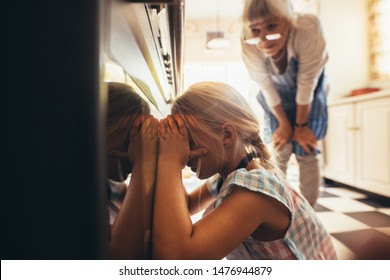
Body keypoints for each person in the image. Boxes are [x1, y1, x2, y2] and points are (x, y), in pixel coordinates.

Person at [152, 81, 336, 259]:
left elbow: (178, 257)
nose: (184, 153)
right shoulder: (229, 176)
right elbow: (188, 205)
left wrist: (169, 160)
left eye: (189, 141)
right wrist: (167, 157)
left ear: (227, 135)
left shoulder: (252, 193)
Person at [240, 0, 329, 206]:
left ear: (288, 22)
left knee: (306, 149)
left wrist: (300, 125)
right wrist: (284, 124)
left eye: (272, 26)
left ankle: (309, 211)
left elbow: (307, 81)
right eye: (256, 30)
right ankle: (279, 207)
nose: (263, 39)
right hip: (274, 100)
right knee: (280, 149)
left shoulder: (307, 28)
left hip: (310, 95)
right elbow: (265, 84)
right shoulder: (248, 39)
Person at [105, 82, 159, 259]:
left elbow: (151, 213)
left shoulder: (107, 184)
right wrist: (144, 161)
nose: (133, 153)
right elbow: (121, 256)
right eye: (130, 141)